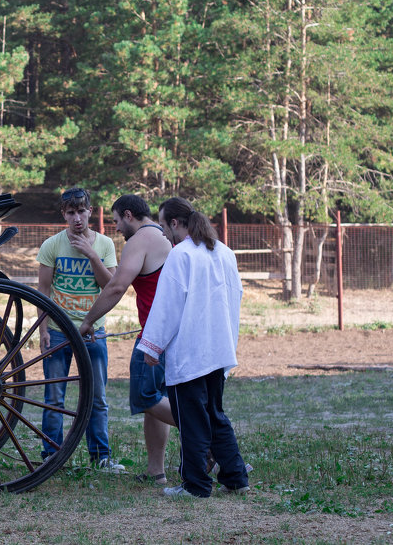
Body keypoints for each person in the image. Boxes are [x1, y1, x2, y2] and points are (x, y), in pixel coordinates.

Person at [136, 197, 251, 497]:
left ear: (175, 223)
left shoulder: (181, 255)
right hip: (218, 348)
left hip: (190, 352)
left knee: (192, 421)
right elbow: (235, 298)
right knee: (215, 415)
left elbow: (168, 305)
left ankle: (196, 485)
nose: (163, 233)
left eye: (162, 226)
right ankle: (235, 478)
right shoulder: (224, 252)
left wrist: (152, 346)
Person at [78, 194, 174, 485]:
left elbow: (117, 286)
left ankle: (206, 433)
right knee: (157, 400)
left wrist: (88, 320)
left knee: (144, 397)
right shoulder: (160, 236)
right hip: (168, 331)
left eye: (117, 220)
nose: (116, 227)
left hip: (155, 335)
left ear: (129, 215)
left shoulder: (140, 240)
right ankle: (156, 472)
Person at [37, 187, 121, 472]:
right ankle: (51, 456)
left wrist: (91, 255)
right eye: (70, 213)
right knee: (54, 396)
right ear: (64, 214)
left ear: (89, 211)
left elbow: (110, 286)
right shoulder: (52, 245)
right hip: (59, 329)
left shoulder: (105, 244)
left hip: (93, 330)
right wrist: (43, 330)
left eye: (81, 212)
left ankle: (101, 457)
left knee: (96, 396)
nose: (77, 218)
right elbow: (44, 291)